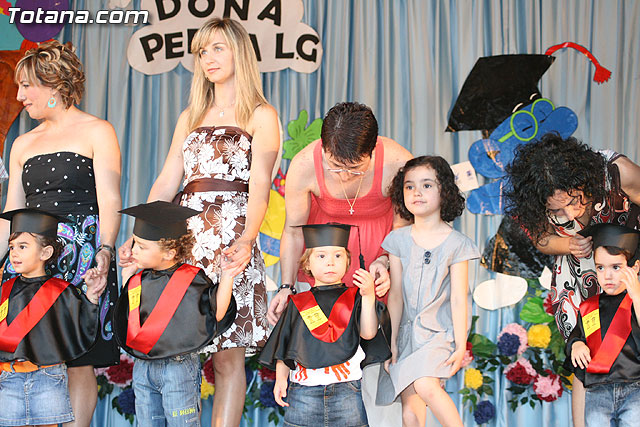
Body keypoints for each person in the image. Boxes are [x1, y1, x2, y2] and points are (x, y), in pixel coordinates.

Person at [118, 17, 279, 427]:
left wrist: (247, 239)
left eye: (218, 48)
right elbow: (167, 180)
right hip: (185, 242)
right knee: (178, 351)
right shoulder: (190, 115)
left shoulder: (261, 114)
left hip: (231, 239)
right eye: (202, 51)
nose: (208, 58)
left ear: (240, 53)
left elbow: (260, 185)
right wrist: (140, 236)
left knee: (227, 358)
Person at [268, 102, 412, 426]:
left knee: (377, 360)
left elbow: (404, 228)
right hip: (324, 262)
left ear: (373, 151)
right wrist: (287, 285)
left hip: (378, 264)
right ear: (323, 149)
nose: (345, 175)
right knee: (321, 350)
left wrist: (385, 261)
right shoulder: (305, 164)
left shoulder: (398, 162)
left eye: (356, 168)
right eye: (335, 166)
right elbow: (292, 231)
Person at [2, 40, 122, 427]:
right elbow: (10, 214)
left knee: (78, 359)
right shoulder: (22, 143)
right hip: (31, 260)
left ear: (53, 83)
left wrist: (105, 251)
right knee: (26, 352)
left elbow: (110, 199)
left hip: (82, 257)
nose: (19, 96)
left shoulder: (98, 131)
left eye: (26, 86)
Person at [504, 133, 640, 427]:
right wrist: (567, 244)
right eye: (556, 210)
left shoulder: (618, 172)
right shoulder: (536, 198)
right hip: (578, 275)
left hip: (627, 265)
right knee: (585, 353)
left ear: (584, 181)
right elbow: (541, 239)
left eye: (573, 201)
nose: (569, 214)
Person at [113, 201, 238, 427]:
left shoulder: (191, 279)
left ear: (169, 252)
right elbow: (131, 315)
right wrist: (127, 276)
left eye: (141, 246)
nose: (133, 251)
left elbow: (216, 314)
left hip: (178, 368)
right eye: (135, 244)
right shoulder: (139, 279)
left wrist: (227, 276)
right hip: (143, 368)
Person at [376, 156, 480, 427]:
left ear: (444, 190)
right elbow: (395, 296)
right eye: (409, 186)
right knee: (410, 407)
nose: (417, 193)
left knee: (425, 383)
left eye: (426, 185)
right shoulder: (397, 240)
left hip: (438, 334)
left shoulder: (457, 244)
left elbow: (459, 299)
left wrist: (460, 344)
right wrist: (392, 342)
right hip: (406, 334)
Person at [259, 223, 391, 427]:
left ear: (348, 262)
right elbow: (285, 345)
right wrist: (281, 378)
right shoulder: (298, 303)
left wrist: (368, 296)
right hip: (303, 393)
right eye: (321, 256)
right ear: (307, 264)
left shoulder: (355, 298)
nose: (330, 262)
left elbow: (368, 333)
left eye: (338, 256)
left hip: (347, 391)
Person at [0, 209, 104, 427]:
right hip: (9, 377)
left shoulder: (61, 291)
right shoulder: (5, 289)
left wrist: (92, 297)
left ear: (45, 253)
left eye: (22, 247)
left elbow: (80, 324)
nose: (14, 253)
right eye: (12, 247)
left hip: (48, 378)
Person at [566, 223, 640, 427]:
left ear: (634, 267)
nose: (607, 276)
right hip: (598, 391)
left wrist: (636, 296)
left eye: (616, 267)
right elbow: (577, 335)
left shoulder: (636, 301)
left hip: (635, 388)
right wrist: (576, 344)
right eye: (600, 267)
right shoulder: (589, 306)